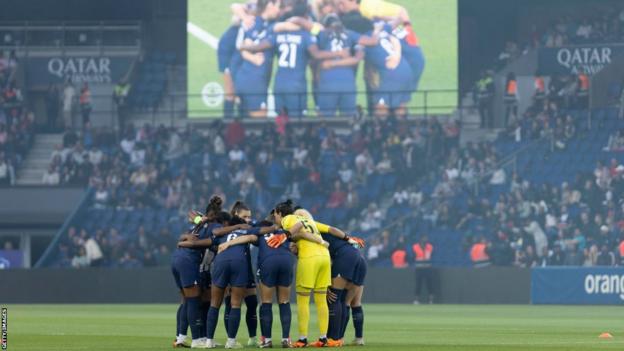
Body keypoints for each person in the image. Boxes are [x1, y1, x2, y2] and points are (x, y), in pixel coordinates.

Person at [239, 16, 346, 118]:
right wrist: (339, 53)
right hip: (296, 85)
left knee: (280, 120)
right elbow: (316, 54)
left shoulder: (278, 36)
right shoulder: (306, 36)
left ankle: (281, 137)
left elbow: (258, 47)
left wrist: (242, 46)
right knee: (297, 122)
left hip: (279, 84)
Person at [218, 214, 294, 348]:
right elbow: (296, 242)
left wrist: (227, 243)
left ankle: (267, 340)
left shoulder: (259, 235)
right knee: (284, 302)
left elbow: (247, 237)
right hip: (286, 262)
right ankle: (286, 339)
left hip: (268, 262)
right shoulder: (284, 233)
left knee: (266, 302)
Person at [294, 207, 367, 346]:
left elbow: (325, 255)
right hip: (358, 257)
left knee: (333, 298)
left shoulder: (312, 231)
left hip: (345, 257)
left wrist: (326, 283)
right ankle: (347, 338)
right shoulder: (319, 227)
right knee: (348, 301)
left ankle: (333, 339)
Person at [272, 200, 334, 348]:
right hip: (325, 257)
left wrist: (284, 236)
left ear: (280, 213)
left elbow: (298, 229)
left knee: (303, 301)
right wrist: (345, 238)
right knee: (321, 300)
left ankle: (302, 339)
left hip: (309, 258)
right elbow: (331, 229)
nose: (275, 217)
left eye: (275, 214)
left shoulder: (289, 219)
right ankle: (323, 338)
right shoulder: (310, 221)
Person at [170, 196, 222, 348]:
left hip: (179, 260)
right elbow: (191, 214)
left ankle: (182, 337)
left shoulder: (197, 225)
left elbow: (190, 215)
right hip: (191, 264)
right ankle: (196, 340)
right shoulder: (213, 227)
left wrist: (198, 221)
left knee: (187, 300)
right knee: (192, 301)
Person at [231, 0, 282, 118]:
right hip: (255, 82)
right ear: (270, 5)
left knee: (244, 125)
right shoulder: (253, 22)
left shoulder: (255, 21)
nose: (279, 10)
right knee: (259, 127)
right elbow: (235, 6)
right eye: (278, 6)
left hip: (244, 78)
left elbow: (242, 47)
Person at [316, 14, 365, 117]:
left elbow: (315, 55)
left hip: (327, 81)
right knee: (348, 120)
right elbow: (358, 57)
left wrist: (331, 63)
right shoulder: (351, 34)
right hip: (348, 82)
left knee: (324, 119)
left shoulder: (321, 34)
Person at [412, 235, 434, 304]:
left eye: (426, 238)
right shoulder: (415, 247)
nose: (425, 240)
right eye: (424, 238)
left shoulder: (430, 247)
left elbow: (432, 256)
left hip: (427, 268)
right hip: (419, 268)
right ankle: (416, 300)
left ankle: (431, 300)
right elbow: (413, 257)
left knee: (429, 284)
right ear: (420, 239)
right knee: (418, 284)